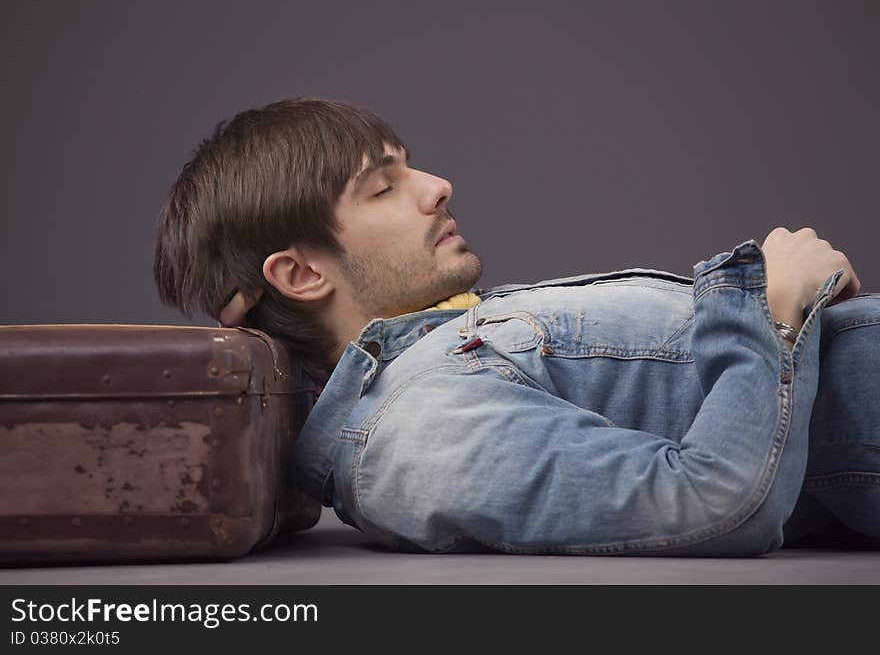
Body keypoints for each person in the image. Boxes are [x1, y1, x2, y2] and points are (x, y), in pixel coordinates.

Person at [154, 98, 878, 556]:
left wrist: (810, 313)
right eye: (383, 186)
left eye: (409, 169)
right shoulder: (419, 430)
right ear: (302, 275)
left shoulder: (444, 345)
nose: (436, 187)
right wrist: (775, 315)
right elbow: (717, 506)